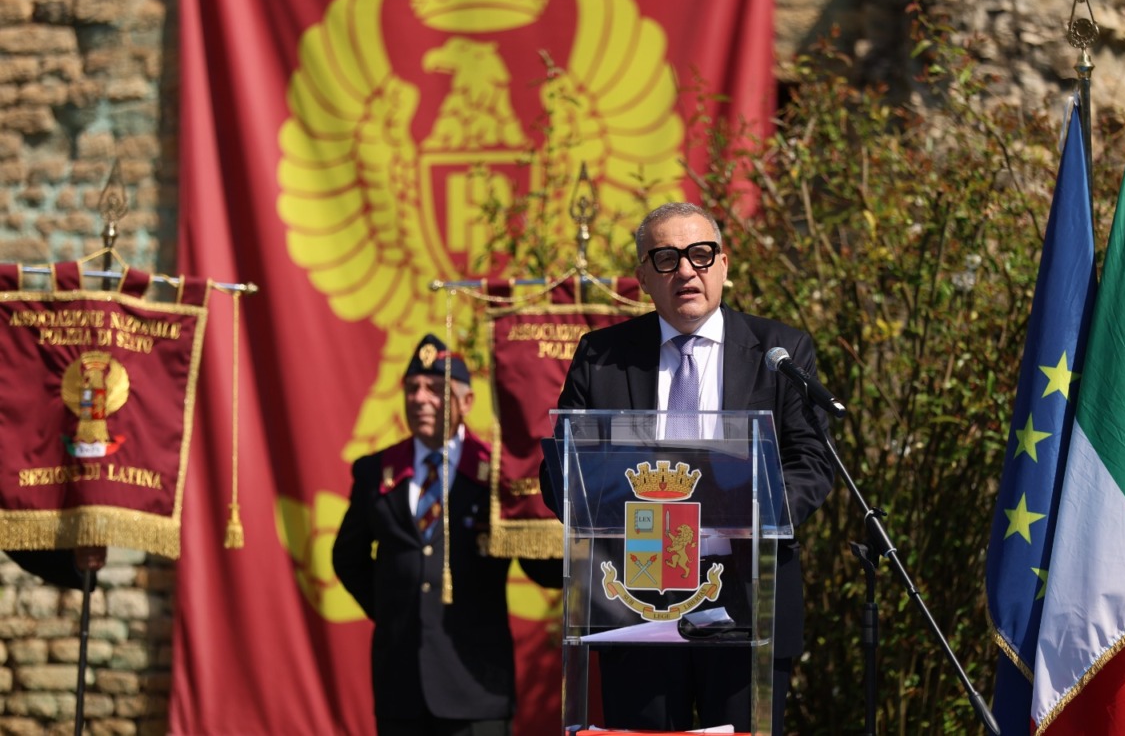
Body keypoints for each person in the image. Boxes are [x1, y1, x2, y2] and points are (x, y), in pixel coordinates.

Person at [547, 201, 835, 732]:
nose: (685, 271)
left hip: (749, 598)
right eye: (666, 258)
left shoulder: (779, 352)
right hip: (636, 600)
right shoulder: (601, 356)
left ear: (723, 264)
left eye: (700, 255)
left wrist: (746, 510)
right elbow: (562, 472)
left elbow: (811, 464)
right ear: (642, 277)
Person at [334, 334, 560, 736]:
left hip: (476, 684)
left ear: (466, 402)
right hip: (400, 684)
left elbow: (539, 567)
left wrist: (578, 543)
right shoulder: (376, 471)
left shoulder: (496, 474)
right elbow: (347, 558)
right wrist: (393, 611)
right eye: (413, 388)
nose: (421, 399)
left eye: (436, 390)